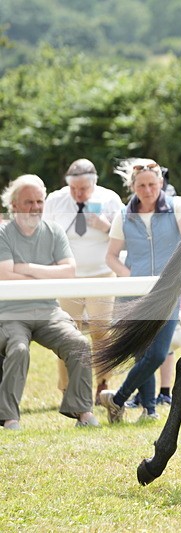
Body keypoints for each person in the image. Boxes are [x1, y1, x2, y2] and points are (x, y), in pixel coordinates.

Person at [98, 158, 181, 423]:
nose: (148, 190)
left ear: (161, 183)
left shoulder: (178, 206)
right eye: (141, 185)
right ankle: (149, 411)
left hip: (167, 293)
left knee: (158, 353)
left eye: (152, 184)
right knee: (142, 353)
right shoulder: (124, 215)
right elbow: (111, 257)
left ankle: (117, 399)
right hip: (134, 294)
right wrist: (133, 278)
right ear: (133, 187)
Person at [0, 174, 99, 430]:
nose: (35, 207)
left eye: (39, 201)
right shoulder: (3, 232)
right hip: (10, 313)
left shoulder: (54, 231)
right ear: (14, 205)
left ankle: (82, 410)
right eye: (28, 202)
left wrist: (26, 267)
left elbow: (69, 271)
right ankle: (9, 417)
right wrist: (45, 270)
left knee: (79, 343)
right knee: (19, 350)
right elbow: (5, 276)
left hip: (48, 311)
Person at [43, 158, 124, 404]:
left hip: (102, 275)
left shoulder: (110, 199)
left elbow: (124, 235)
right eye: (74, 189)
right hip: (67, 278)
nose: (78, 194)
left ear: (94, 184)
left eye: (83, 189)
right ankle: (68, 388)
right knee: (67, 333)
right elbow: (44, 235)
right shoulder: (56, 200)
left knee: (101, 332)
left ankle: (103, 383)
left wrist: (105, 226)